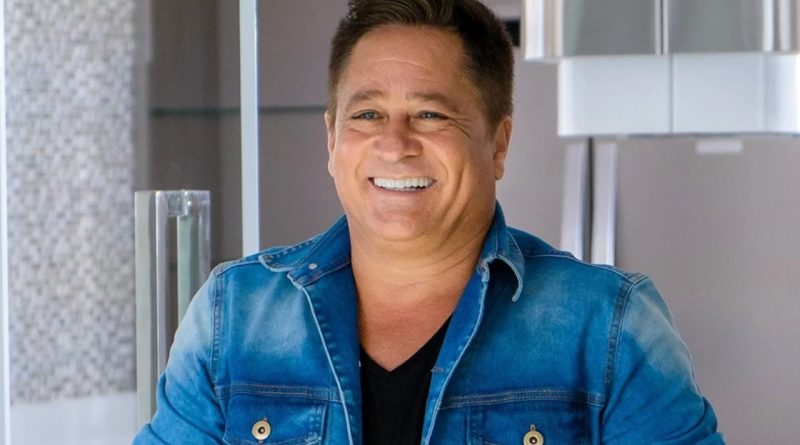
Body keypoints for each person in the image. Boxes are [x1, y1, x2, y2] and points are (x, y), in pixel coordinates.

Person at [134, 0, 725, 444]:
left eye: (430, 114)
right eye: (368, 114)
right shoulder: (233, 317)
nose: (395, 144)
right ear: (332, 139)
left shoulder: (608, 327)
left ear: (498, 144)